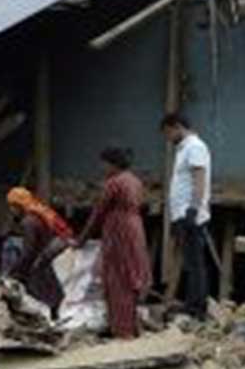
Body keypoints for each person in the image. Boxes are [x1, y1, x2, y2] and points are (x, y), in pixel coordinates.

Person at [82, 146, 151, 339]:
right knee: (132, 275)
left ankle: (122, 330)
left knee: (118, 280)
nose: (102, 168)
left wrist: (82, 239)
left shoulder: (113, 183)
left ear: (112, 163)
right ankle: (132, 326)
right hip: (135, 229)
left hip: (119, 232)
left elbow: (98, 213)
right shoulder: (135, 181)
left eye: (104, 163)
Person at [162, 111, 214, 318]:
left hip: (190, 214)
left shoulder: (194, 147)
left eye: (168, 132)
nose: (168, 138)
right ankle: (192, 303)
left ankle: (197, 307)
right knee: (191, 263)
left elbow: (199, 178)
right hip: (182, 214)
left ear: (177, 127)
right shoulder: (184, 149)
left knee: (196, 263)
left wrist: (193, 209)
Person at [0, 186, 74, 315]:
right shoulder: (39, 213)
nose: (11, 210)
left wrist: (13, 273)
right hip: (58, 248)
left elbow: (28, 252)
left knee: (35, 279)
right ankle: (54, 309)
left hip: (53, 253)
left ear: (18, 206)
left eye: (12, 206)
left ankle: (50, 311)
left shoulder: (28, 222)